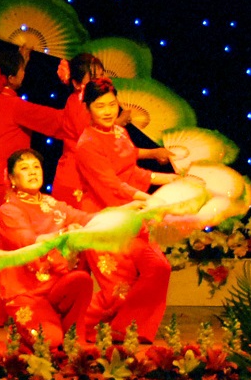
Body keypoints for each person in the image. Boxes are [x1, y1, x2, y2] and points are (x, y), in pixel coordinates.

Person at [0, 48, 71, 327]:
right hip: (10, 182)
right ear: (11, 78)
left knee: (5, 243)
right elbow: (58, 122)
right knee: (10, 245)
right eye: (22, 71)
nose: (25, 74)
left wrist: (22, 59)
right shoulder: (14, 106)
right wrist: (77, 96)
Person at [75, 78, 176, 343]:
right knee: (118, 290)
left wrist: (168, 179)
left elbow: (131, 172)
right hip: (104, 219)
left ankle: (128, 329)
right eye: (100, 106)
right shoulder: (87, 144)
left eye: (112, 104)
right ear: (88, 108)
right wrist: (149, 199)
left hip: (131, 215)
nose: (108, 111)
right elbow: (111, 185)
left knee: (158, 268)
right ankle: (75, 329)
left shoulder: (120, 133)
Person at [0, 148, 94, 350]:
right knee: (50, 340)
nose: (32, 172)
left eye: (36, 167)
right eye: (24, 168)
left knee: (81, 279)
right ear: (12, 178)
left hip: (54, 286)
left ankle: (72, 335)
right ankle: (22, 331)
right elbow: (30, 242)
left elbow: (87, 219)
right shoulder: (9, 210)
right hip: (26, 293)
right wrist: (64, 234)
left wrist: (126, 213)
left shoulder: (52, 204)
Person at [50, 53, 105, 208]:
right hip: (75, 177)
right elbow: (91, 136)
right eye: (93, 78)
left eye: (101, 76)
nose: (100, 82)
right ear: (76, 83)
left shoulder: (91, 102)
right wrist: (119, 121)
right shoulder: (79, 104)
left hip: (86, 172)